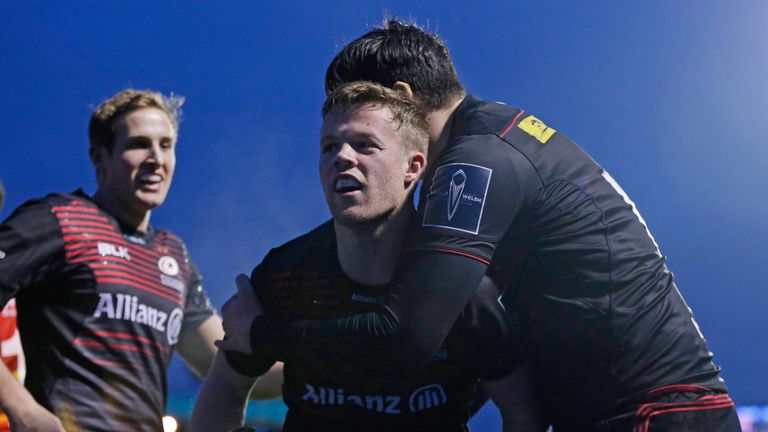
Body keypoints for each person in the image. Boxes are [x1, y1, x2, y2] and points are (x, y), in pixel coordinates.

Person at [219, 20, 740, 431]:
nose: (349, 135)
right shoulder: (499, 130)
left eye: (366, 106)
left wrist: (262, 334)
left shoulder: (473, 164)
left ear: (403, 97)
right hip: (657, 406)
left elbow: (408, 337)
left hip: (649, 413)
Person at [195, 82, 539, 432]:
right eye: (329, 147)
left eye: (364, 145)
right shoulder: (285, 273)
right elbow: (223, 391)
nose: (342, 157)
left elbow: (525, 415)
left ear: (413, 167)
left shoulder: (464, 289)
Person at [0, 89, 281, 432]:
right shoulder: (57, 220)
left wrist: (327, 353)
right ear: (99, 156)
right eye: (138, 144)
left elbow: (233, 362)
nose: (155, 158)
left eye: (166, 145)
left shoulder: (173, 256)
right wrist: (23, 409)